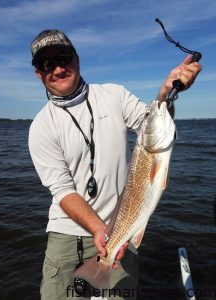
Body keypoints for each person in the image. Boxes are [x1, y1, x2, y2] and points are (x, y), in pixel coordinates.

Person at [28, 29, 201, 300]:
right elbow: (62, 190)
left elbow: (150, 122)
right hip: (66, 233)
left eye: (64, 57)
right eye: (47, 64)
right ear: (39, 73)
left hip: (123, 229)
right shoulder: (41, 126)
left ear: (77, 59)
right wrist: (100, 230)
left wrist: (166, 93)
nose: (59, 68)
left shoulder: (113, 95)